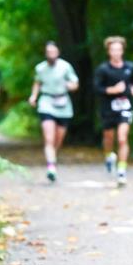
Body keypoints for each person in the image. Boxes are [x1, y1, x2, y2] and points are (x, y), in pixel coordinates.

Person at [28, 41, 79, 182]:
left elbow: (75, 83)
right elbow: (37, 83)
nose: (51, 54)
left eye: (53, 52)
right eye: (48, 52)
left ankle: (52, 159)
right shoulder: (40, 68)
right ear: (45, 53)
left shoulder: (65, 66)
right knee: (49, 138)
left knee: (58, 138)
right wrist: (33, 96)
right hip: (46, 102)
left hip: (63, 103)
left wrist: (71, 86)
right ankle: (51, 166)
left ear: (58, 52)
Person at [94, 36, 133, 187]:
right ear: (108, 51)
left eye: (119, 49)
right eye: (113, 50)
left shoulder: (130, 67)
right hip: (108, 108)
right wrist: (112, 90)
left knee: (122, 138)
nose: (116, 52)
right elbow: (97, 88)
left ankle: (121, 171)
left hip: (126, 107)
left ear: (122, 51)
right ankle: (108, 156)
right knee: (108, 138)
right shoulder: (103, 69)